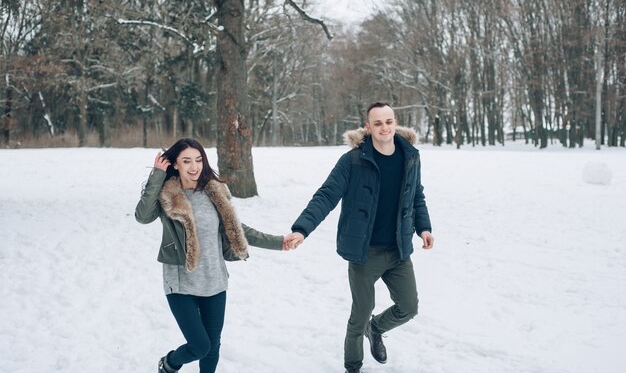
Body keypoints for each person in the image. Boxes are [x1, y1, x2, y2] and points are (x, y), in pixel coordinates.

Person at [287, 102, 434, 373]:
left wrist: (424, 228)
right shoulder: (353, 160)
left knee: (409, 307)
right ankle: (353, 367)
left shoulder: (410, 156)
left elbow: (416, 196)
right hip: (365, 252)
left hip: (399, 249)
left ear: (395, 122)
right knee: (359, 314)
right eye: (377, 123)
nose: (384, 128)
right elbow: (326, 195)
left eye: (388, 121)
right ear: (368, 127)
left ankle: (375, 328)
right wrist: (302, 229)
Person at [135, 138, 298, 373]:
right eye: (187, 161)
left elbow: (237, 228)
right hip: (181, 283)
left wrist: (278, 242)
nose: (194, 167)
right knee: (199, 346)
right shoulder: (168, 195)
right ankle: (170, 363)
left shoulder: (213, 192)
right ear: (176, 164)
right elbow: (142, 216)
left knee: (212, 347)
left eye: (199, 160)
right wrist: (157, 175)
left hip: (215, 280)